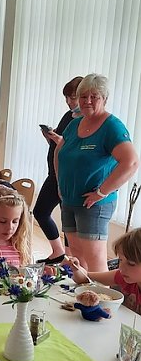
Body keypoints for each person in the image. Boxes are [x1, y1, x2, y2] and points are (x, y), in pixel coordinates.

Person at [56, 74, 139, 271]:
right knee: (76, 255)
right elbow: (59, 152)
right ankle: (83, 289)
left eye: (94, 97)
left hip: (93, 204)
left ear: (105, 99)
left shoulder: (111, 126)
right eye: (83, 96)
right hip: (69, 199)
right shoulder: (75, 123)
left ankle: (99, 292)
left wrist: (101, 192)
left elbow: (131, 162)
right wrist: (60, 184)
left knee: (94, 258)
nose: (88, 101)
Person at [32, 77, 83, 264]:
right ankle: (58, 251)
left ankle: (69, 258)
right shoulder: (69, 115)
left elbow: (74, 148)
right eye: (66, 98)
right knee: (40, 212)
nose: (69, 102)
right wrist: (50, 138)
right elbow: (59, 145)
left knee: (69, 221)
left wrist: (59, 141)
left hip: (68, 176)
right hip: (54, 173)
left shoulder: (85, 120)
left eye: (73, 98)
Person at [67, 226, 141, 314]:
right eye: (120, 260)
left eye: (131, 263)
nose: (121, 268)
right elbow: (86, 277)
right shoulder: (123, 276)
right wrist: (77, 268)